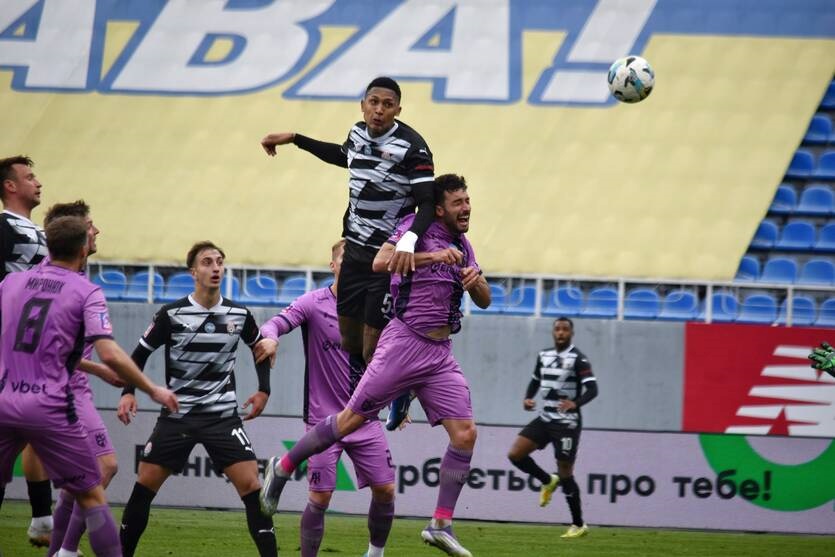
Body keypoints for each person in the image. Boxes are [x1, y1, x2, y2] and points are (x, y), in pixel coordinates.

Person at [260, 174, 491, 557]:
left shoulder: (463, 244)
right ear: (438, 209)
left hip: (439, 353)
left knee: (465, 434)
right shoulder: (414, 230)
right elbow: (382, 262)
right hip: (404, 342)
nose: (466, 208)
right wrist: (432, 257)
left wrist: (475, 280)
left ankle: (440, 524)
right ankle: (282, 467)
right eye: (458, 203)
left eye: (467, 200)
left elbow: (484, 299)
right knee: (349, 420)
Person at [260, 76, 435, 426]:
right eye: (374, 102)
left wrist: (409, 239)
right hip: (354, 251)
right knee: (350, 342)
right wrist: (295, 139)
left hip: (385, 257)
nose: (379, 110)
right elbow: (343, 156)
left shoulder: (413, 148)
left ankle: (400, 392)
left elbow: (428, 203)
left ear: (398, 110)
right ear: (363, 105)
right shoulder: (356, 134)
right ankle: (390, 387)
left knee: (371, 348)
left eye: (387, 104)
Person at [0, 215, 178, 557]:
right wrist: (151, 388)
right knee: (93, 494)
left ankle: (55, 540)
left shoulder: (11, 283)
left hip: (4, 400)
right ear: (83, 249)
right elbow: (109, 352)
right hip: (49, 405)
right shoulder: (86, 291)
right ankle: (70, 549)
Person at [117, 241, 277, 557]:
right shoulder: (171, 314)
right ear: (193, 272)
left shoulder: (239, 314)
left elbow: (260, 350)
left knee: (252, 489)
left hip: (222, 417)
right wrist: (127, 392)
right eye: (207, 262)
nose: (215, 268)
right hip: (178, 415)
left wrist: (264, 390)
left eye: (219, 261)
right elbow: (138, 356)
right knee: (144, 486)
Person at [255, 239, 396, 557]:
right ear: (332, 265)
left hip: (364, 418)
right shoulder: (313, 303)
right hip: (323, 420)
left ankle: (374, 554)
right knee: (320, 498)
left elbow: (385, 360)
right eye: (346, 259)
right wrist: (271, 339)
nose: (353, 264)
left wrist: (399, 398)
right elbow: (274, 323)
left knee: (386, 490)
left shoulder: (374, 308)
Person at [43, 201, 124, 557]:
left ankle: (58, 552)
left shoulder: (73, 277)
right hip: (64, 391)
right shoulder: (63, 282)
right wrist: (102, 369)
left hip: (70, 389)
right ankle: (67, 550)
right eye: (90, 225)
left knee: (74, 484)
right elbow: (49, 348)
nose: (97, 231)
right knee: (105, 466)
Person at [0, 154, 53, 547]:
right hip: (9, 352)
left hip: (37, 352)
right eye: (29, 176)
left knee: (37, 433)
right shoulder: (4, 227)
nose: (38, 182)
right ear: (10, 186)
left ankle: (42, 519)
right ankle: (44, 520)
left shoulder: (41, 232)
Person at [507, 317, 598, 539]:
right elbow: (535, 380)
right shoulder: (544, 355)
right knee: (515, 454)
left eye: (565, 329)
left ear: (571, 333)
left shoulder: (578, 359)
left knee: (565, 470)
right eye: (557, 329)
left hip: (567, 423)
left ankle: (578, 524)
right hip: (546, 417)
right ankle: (548, 480)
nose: (561, 333)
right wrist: (528, 398)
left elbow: (592, 389)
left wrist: (575, 403)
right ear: (553, 332)